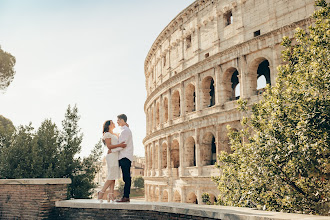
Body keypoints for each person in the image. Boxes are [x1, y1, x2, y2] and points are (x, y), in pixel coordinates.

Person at [98, 120, 126, 203]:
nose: (114, 124)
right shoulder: (107, 134)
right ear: (109, 125)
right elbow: (109, 146)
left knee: (113, 175)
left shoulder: (114, 134)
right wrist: (120, 145)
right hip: (111, 156)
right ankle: (101, 192)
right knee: (111, 175)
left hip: (115, 156)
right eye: (112, 123)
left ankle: (111, 194)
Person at [115, 114, 134, 202]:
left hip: (124, 156)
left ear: (122, 120)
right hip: (124, 156)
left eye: (118, 120)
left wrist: (112, 150)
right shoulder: (125, 130)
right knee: (125, 177)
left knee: (126, 177)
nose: (117, 122)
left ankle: (126, 196)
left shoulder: (125, 131)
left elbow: (123, 145)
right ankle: (125, 196)